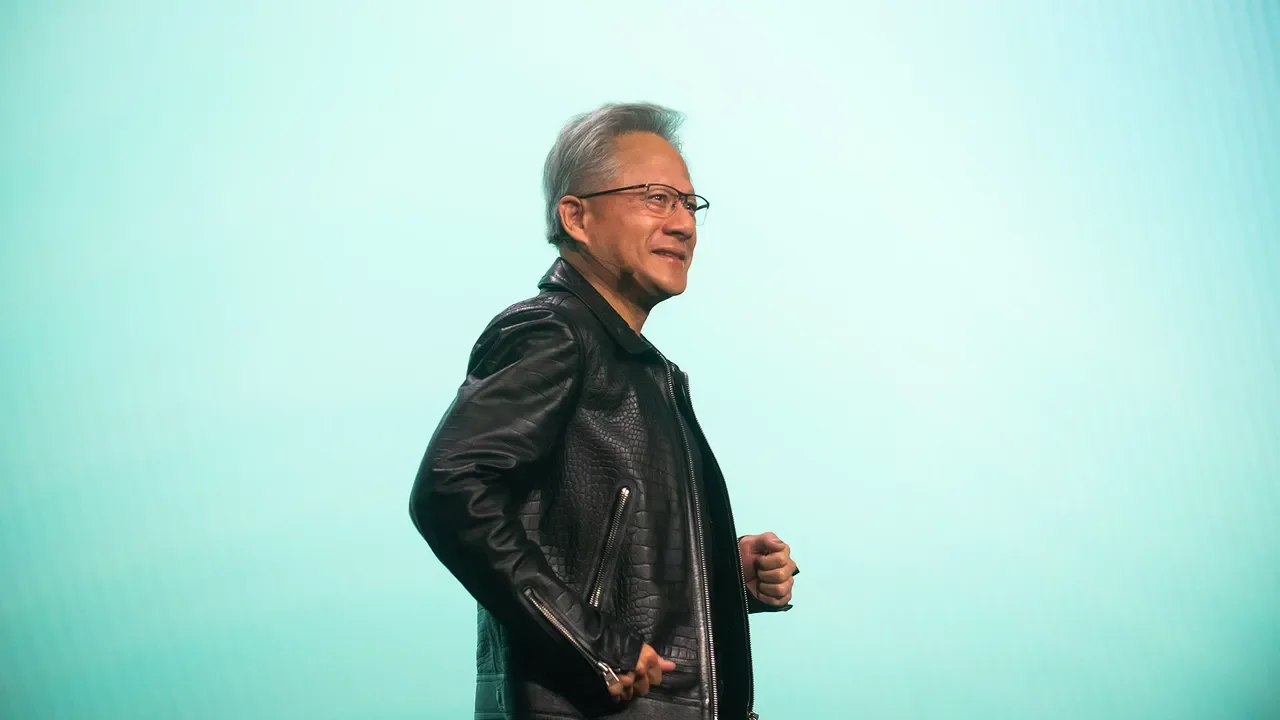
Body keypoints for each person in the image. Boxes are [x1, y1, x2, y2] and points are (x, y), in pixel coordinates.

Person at [409, 102, 799, 720]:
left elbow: (604, 548)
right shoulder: (554, 333)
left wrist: (720, 573)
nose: (683, 226)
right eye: (655, 198)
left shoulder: (635, 368)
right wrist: (589, 642)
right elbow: (450, 488)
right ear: (577, 217)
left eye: (689, 204)